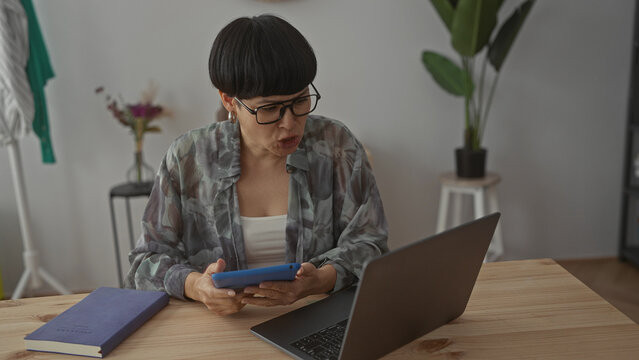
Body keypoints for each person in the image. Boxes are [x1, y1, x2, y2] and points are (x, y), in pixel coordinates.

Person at [124, 14, 389, 316]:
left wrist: (319, 281)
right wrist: (197, 285)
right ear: (228, 100)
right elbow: (145, 262)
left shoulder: (336, 146)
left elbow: (371, 244)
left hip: (318, 320)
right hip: (219, 328)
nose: (290, 124)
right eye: (270, 109)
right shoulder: (188, 158)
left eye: (300, 101)